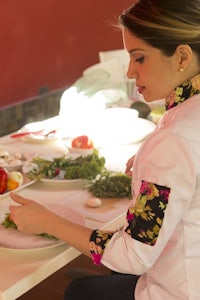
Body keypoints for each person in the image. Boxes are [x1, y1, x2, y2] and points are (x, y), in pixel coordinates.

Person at [9, 0, 200, 299]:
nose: (129, 72)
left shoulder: (174, 142)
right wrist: (152, 162)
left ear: (182, 56)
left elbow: (133, 256)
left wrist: (49, 222)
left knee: (79, 291)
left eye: (139, 58)